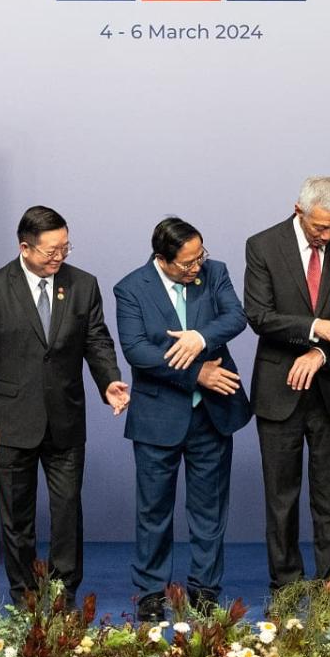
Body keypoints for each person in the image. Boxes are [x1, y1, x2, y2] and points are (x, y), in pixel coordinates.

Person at [0, 206, 128, 605]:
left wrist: (109, 381)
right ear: (25, 248)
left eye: (65, 248)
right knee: (17, 517)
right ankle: (24, 593)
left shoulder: (83, 285)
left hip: (65, 421)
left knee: (67, 513)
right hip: (11, 421)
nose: (60, 257)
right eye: (51, 251)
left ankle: (62, 593)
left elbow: (97, 340)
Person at [113, 217, 250, 619]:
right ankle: (153, 591)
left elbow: (235, 317)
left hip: (212, 415)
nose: (196, 268)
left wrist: (201, 338)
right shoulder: (132, 288)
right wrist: (197, 372)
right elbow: (137, 350)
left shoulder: (215, 272)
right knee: (153, 510)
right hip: (158, 417)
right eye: (188, 263)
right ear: (163, 259)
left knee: (209, 510)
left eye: (199, 257)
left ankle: (205, 589)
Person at [243, 176, 330, 590]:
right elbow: (259, 315)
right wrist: (315, 327)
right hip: (278, 389)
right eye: (320, 227)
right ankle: (286, 583)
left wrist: (320, 352)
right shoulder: (263, 246)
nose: (328, 235)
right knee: (282, 498)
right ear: (298, 211)